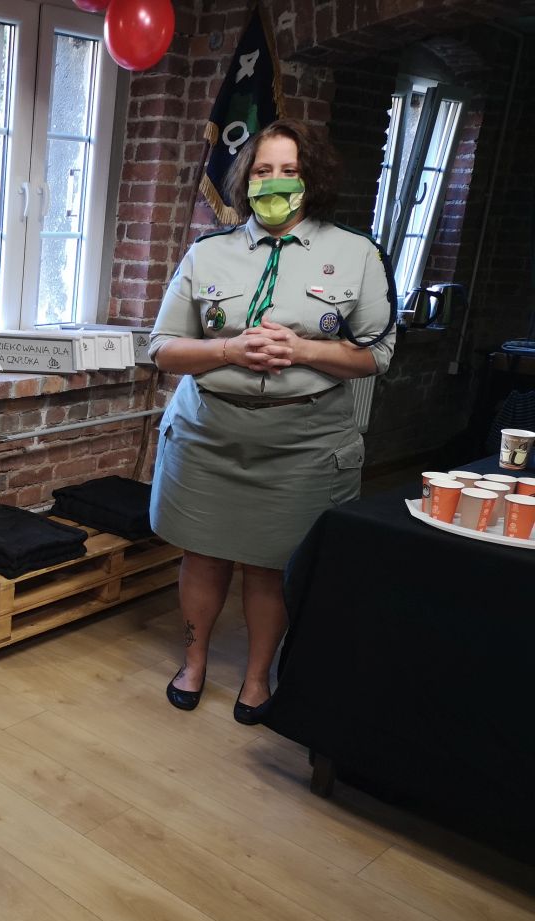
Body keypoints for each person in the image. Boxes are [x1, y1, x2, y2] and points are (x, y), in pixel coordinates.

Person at [149, 118, 396, 725]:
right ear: (246, 180)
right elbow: (162, 348)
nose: (276, 182)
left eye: (290, 170)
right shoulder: (209, 252)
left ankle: (257, 677)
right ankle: (194, 661)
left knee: (268, 565)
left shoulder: (357, 253)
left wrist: (303, 349)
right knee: (203, 555)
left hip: (301, 442)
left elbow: (377, 354)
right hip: (208, 433)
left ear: (313, 179)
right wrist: (229, 350)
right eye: (263, 170)